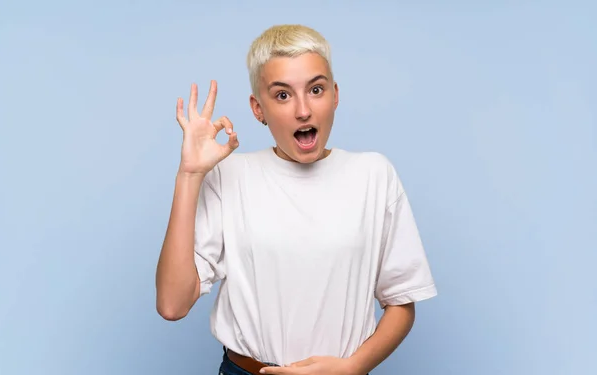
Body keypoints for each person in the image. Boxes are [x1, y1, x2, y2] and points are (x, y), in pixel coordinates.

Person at [155, 24, 437, 375]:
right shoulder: (229, 176)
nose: (303, 110)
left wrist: (354, 367)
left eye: (316, 90)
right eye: (283, 95)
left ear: (335, 95)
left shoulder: (374, 175)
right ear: (258, 108)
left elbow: (401, 302)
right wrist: (189, 175)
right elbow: (172, 304)